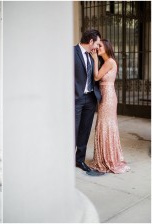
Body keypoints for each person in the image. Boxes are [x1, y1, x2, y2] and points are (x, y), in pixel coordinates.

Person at [89, 39, 130, 173]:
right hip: (105, 97)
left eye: (100, 46)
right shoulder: (106, 62)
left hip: (108, 98)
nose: (97, 47)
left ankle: (108, 158)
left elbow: (96, 77)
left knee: (106, 125)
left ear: (107, 47)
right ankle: (105, 156)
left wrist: (94, 59)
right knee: (104, 124)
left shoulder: (110, 62)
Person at [74, 29, 103, 175]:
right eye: (97, 43)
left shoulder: (93, 56)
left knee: (85, 131)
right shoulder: (71, 53)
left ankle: (79, 160)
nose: (98, 47)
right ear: (91, 41)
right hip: (75, 99)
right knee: (73, 130)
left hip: (90, 99)